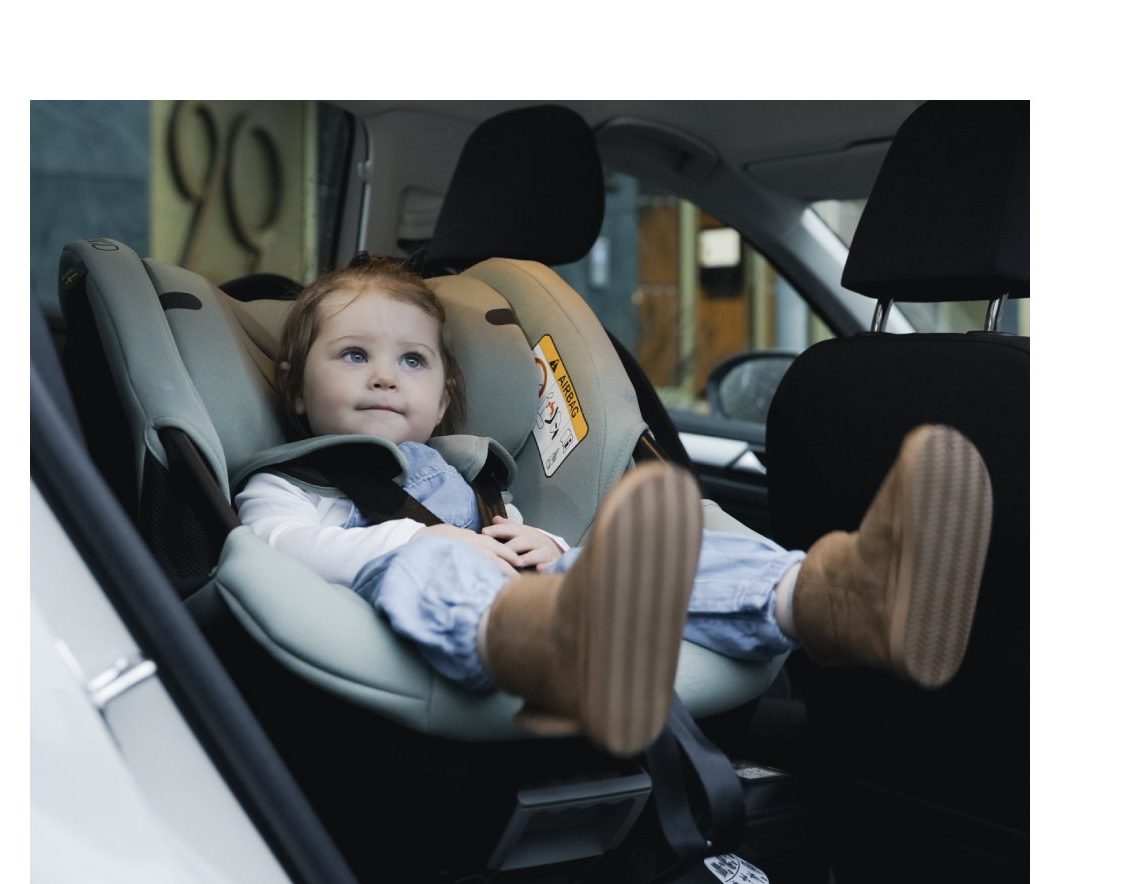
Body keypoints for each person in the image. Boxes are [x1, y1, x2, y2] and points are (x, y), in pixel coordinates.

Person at [236, 254, 992, 756]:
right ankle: (560, 649)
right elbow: (272, 547)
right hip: (424, 606)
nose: (385, 376)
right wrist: (413, 543)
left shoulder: (471, 476)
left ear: (442, 400)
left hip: (536, 593)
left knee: (653, 558)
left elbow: (518, 542)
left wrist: (547, 547)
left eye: (412, 360)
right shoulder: (291, 484)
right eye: (353, 355)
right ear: (296, 389)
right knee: (432, 564)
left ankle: (833, 597)